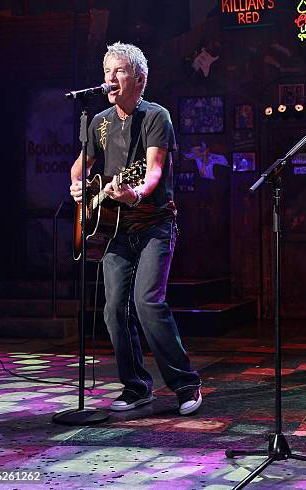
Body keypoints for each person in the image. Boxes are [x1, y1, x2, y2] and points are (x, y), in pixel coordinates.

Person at [69, 42, 202, 415]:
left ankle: (186, 384)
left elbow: (154, 171)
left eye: (119, 71)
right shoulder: (98, 121)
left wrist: (135, 193)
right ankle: (136, 386)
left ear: (139, 80)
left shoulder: (156, 116)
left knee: (147, 301)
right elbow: (79, 167)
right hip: (114, 231)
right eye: (107, 70)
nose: (110, 78)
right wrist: (79, 186)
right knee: (113, 310)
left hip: (156, 224)